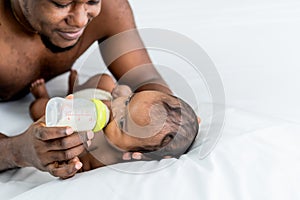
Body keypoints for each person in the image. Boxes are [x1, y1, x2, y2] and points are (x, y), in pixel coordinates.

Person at [0, 0, 174, 178]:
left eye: (92, 1)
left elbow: (145, 78)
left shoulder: (110, 7)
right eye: (61, 4)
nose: (80, 21)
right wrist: (17, 150)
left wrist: (167, 129)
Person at [28, 70, 199, 177]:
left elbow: (77, 165)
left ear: (137, 154)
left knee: (37, 109)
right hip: (97, 97)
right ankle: (76, 87)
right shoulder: (116, 106)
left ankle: (44, 97)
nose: (115, 110)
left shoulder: (106, 159)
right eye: (129, 101)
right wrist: (122, 94)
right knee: (104, 79)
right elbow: (117, 102)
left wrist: (69, 163)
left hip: (75, 116)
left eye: (123, 122)